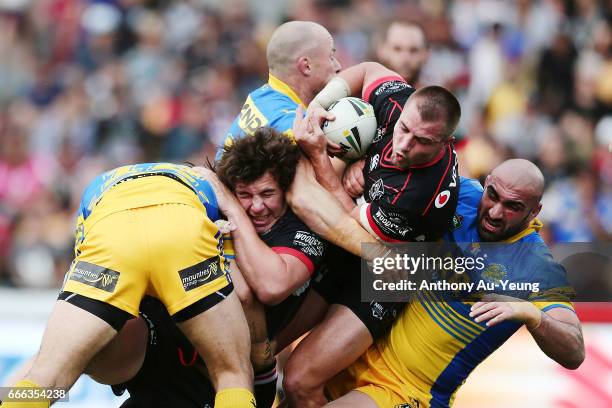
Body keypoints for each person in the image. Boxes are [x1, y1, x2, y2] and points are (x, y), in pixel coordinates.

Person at [324, 159, 585, 407]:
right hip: (359, 348)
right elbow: (399, 173)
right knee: (294, 385)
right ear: (487, 182)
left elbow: (574, 351)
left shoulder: (536, 266)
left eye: (512, 207)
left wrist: (531, 314)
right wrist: (361, 168)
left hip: (407, 390)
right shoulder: (463, 195)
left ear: (534, 211)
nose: (495, 212)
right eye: (492, 195)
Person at [2, 164, 255, 408]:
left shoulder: (98, 188)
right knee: (232, 373)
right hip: (181, 227)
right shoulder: (210, 187)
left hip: (112, 229)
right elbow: (242, 294)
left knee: (46, 376)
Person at [282, 61, 461, 406]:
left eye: (421, 141)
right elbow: (366, 70)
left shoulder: (418, 193)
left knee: (300, 380)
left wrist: (320, 156)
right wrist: (319, 107)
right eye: (404, 128)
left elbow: (348, 219)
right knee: (267, 345)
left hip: (385, 275)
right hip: (350, 247)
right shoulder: (398, 104)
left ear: (445, 142)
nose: (403, 145)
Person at [216, 20, 341, 160]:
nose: (338, 66)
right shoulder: (294, 128)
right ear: (306, 66)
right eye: (331, 57)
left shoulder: (260, 97)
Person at [376, 20, 429, 87]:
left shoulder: (435, 96)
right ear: (381, 50)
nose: (405, 59)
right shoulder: (362, 95)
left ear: (426, 54)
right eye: (397, 49)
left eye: (413, 50)